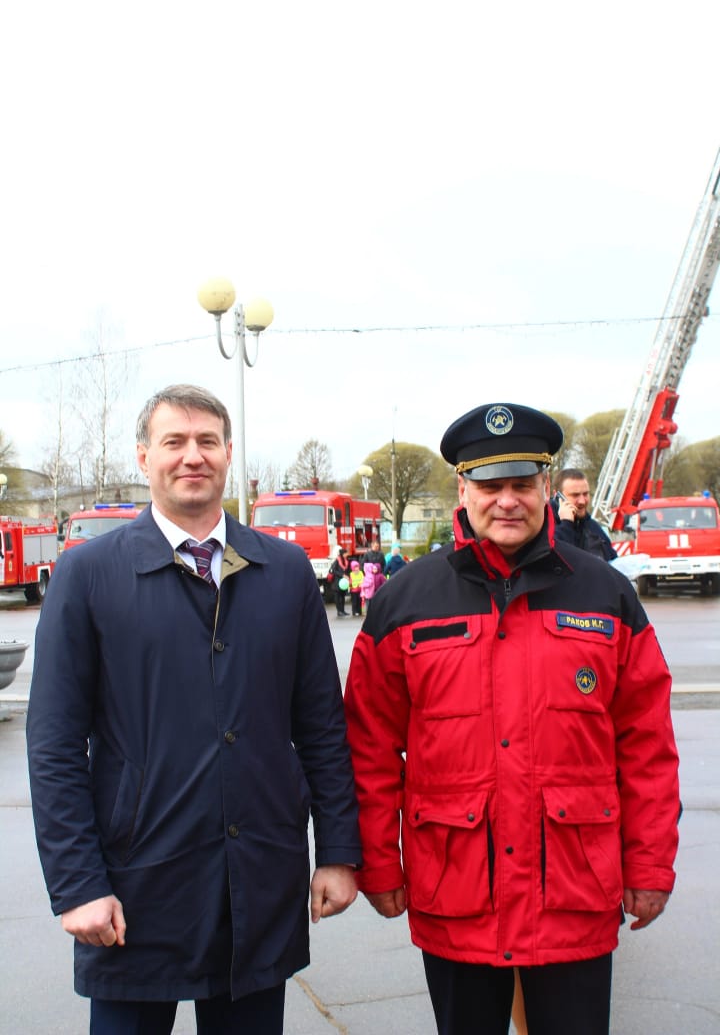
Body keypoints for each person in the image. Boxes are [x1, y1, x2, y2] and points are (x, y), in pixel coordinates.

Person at [26, 384, 361, 1035]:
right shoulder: (89, 575)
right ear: (144, 456)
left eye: (207, 441)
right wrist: (76, 885)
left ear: (229, 454)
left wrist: (340, 853)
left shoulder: (286, 572)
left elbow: (320, 726)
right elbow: (55, 742)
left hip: (259, 882)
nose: (192, 456)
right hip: (132, 886)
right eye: (174, 442)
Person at [344, 402, 680, 1035]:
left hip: (574, 896)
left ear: (546, 488)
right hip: (457, 895)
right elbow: (368, 745)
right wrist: (378, 862)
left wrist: (651, 865)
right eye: (490, 486)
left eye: (522, 485)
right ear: (463, 489)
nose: (507, 501)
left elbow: (647, 747)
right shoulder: (404, 601)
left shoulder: (605, 593)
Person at [551, 467, 617, 562]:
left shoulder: (594, 528)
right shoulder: (543, 526)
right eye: (575, 495)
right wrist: (566, 524)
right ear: (557, 496)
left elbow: (612, 562)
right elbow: (556, 558)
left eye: (585, 494)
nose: (582, 501)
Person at [329, 546, 351, 617]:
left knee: (342, 597)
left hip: (344, 583)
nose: (347, 555)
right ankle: (339, 611)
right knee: (338, 598)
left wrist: (348, 576)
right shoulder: (337, 561)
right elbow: (333, 571)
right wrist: (342, 575)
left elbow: (347, 570)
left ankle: (343, 610)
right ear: (342, 554)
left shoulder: (346, 560)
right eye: (346, 553)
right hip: (337, 582)